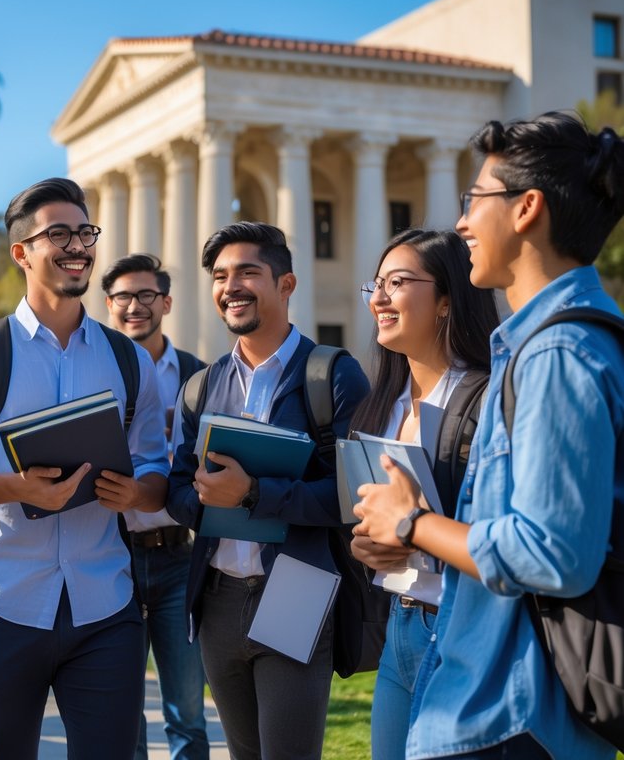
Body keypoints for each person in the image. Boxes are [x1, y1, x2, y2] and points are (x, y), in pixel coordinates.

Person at [356, 112, 624, 759]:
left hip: (516, 716)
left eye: (474, 200)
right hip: (495, 703)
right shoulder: (543, 346)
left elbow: (551, 554)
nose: (462, 223)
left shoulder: (558, 353)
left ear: (526, 208)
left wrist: (410, 524)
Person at [0, 177, 169, 760]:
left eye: (84, 232)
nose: (77, 245)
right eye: (58, 234)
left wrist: (138, 492)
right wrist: (15, 489)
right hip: (4, 602)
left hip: (106, 604)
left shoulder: (128, 360)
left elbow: (157, 470)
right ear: (21, 252)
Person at [165, 221, 370, 760]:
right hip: (215, 599)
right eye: (220, 275)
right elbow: (177, 490)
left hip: (298, 587)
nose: (231, 286)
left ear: (286, 285)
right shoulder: (202, 386)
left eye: (247, 273)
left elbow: (354, 499)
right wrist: (204, 498)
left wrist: (255, 493)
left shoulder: (333, 376)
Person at [345, 229, 498, 760]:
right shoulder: (381, 406)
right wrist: (366, 548)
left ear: (447, 302)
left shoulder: (487, 399)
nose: (379, 299)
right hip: (400, 625)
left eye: (399, 283)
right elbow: (369, 523)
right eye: (377, 285)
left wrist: (416, 530)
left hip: (461, 627)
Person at [102, 252, 209, 760]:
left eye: (146, 295)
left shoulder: (198, 377)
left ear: (165, 302)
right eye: (122, 297)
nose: (134, 306)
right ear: (108, 305)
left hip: (178, 557)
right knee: (122, 714)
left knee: (187, 713)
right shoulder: (95, 370)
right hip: (112, 556)